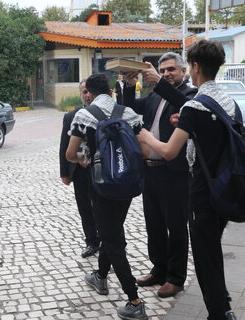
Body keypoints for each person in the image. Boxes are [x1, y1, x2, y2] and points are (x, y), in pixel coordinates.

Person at [137, 40, 238, 320]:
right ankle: (222, 306)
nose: (168, 73)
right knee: (210, 252)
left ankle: (219, 311)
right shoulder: (228, 100)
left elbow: (170, 152)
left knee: (204, 255)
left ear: (192, 67)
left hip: (199, 187)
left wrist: (146, 137)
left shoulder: (194, 103)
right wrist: (189, 129)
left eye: (174, 69)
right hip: (223, 185)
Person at [66, 73, 147, 320]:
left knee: (112, 239)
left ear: (89, 93)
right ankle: (100, 277)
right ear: (111, 91)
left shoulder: (85, 114)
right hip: (126, 184)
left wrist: (84, 159)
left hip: (99, 185)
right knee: (111, 230)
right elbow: (142, 151)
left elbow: (70, 154)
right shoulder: (128, 113)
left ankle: (134, 300)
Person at [123, 52, 197, 298]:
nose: (166, 73)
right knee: (153, 224)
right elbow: (132, 107)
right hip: (151, 170)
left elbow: (182, 105)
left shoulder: (189, 96)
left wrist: (158, 81)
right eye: (162, 70)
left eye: (171, 70)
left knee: (175, 226)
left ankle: (176, 277)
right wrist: (130, 86)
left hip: (174, 173)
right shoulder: (156, 93)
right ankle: (159, 269)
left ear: (184, 71)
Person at [59, 80, 100, 258]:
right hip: (80, 171)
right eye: (84, 92)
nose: (87, 95)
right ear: (80, 94)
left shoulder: (103, 115)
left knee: (102, 208)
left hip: (100, 170)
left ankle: (107, 239)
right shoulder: (70, 117)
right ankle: (91, 241)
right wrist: (64, 173)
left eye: (90, 91)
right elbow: (64, 146)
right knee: (84, 207)